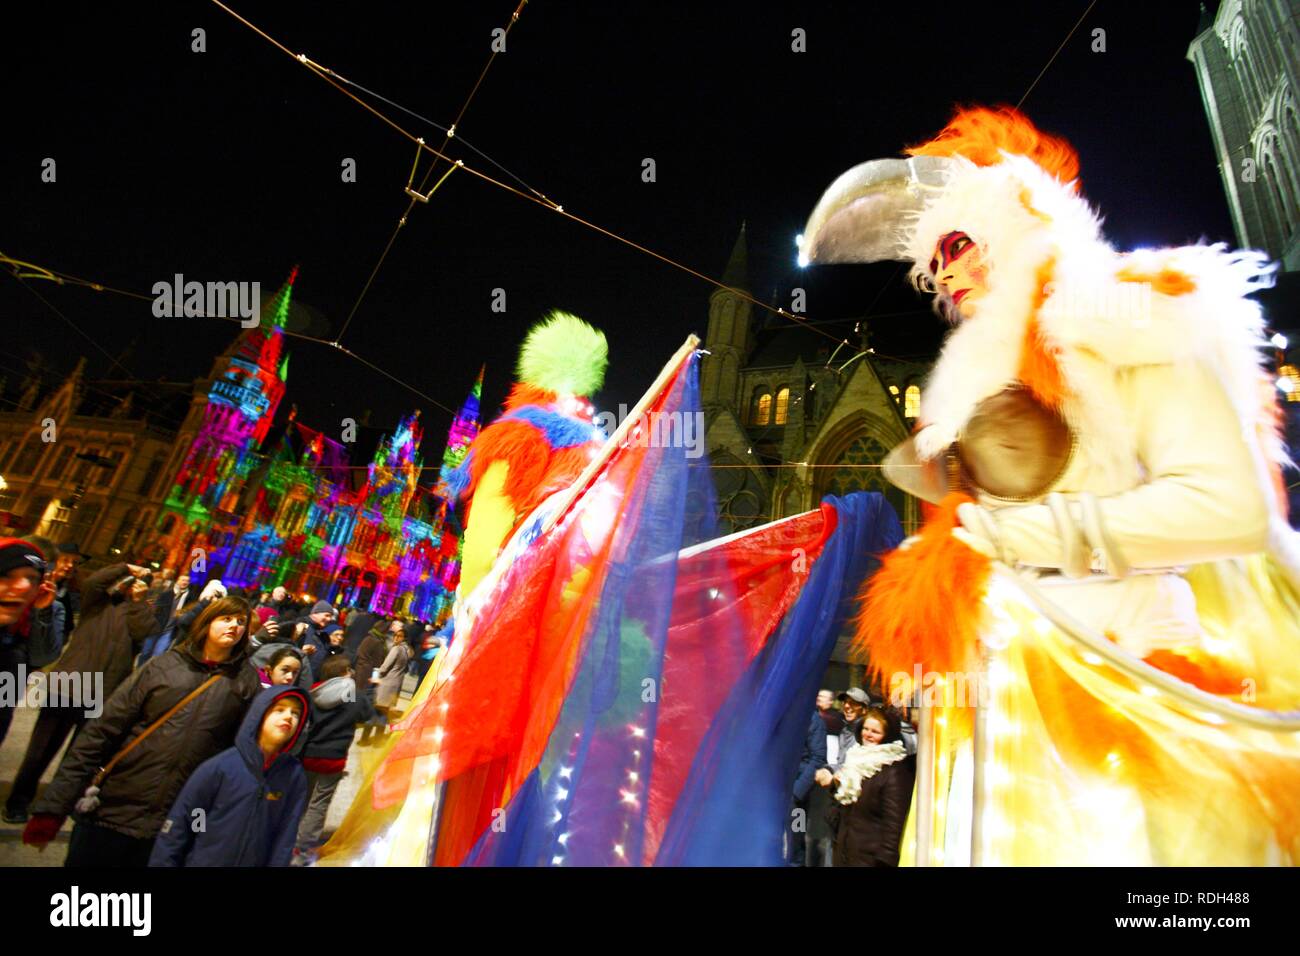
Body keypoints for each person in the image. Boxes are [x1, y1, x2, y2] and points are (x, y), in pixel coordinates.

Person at [802, 105, 1300, 864]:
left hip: (1126, 691)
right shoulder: (985, 385)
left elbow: (1231, 507)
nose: (945, 274)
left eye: (959, 245)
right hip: (1000, 715)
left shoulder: (1129, 318)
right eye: (934, 262)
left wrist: (1052, 534)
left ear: (1018, 227)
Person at [22, 595, 262, 866]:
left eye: (241, 621)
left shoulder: (245, 682)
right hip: (115, 807)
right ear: (207, 622)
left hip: (173, 819)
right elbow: (102, 731)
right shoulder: (164, 666)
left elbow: (236, 755)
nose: (234, 626)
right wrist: (52, 809)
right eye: (226, 618)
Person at [3, 560, 157, 824]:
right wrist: (125, 567)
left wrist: (139, 602)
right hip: (69, 685)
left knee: (78, 755)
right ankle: (19, 801)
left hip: (104, 690)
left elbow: (144, 632)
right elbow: (93, 582)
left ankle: (55, 804)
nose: (130, 587)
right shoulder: (96, 603)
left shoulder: (138, 611)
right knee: (40, 751)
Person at [148, 685, 311, 867]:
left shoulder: (293, 776)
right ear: (259, 715)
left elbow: (285, 836)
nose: (288, 716)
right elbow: (184, 824)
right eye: (279, 709)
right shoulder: (221, 768)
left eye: (296, 714)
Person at [293, 654, 375, 864]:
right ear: (344, 672)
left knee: (300, 800)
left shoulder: (314, 691)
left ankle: (288, 839)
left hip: (308, 755)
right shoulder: (353, 695)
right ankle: (302, 851)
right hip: (333, 759)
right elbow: (366, 714)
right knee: (319, 804)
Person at [827, 707, 915, 867]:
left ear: (887, 736)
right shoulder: (855, 759)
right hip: (845, 853)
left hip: (871, 859)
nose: (868, 734)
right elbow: (841, 810)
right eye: (866, 729)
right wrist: (836, 786)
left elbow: (894, 823)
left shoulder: (893, 770)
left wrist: (885, 859)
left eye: (875, 731)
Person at [0, 539, 51, 749]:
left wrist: (41, 613)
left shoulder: (13, 644)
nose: (24, 586)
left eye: (32, 578)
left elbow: (42, 659)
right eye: (5, 574)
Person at [789, 706, 828, 866]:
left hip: (797, 798)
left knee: (796, 842)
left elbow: (818, 757)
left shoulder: (813, 719)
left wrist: (797, 793)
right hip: (776, 791)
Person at [352, 618, 392, 745]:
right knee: (364, 696)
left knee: (359, 694)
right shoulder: (376, 641)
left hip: (362, 670)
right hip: (367, 672)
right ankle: (357, 718)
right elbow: (377, 660)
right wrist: (375, 673)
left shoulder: (371, 637)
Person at [372, 627, 411, 723]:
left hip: (387, 682)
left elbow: (386, 666)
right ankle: (379, 734)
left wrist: (377, 673)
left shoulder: (396, 649)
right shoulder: (406, 651)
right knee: (385, 712)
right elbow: (406, 669)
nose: (396, 638)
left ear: (404, 638)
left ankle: (368, 736)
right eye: (395, 635)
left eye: (400, 636)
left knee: (377, 712)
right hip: (396, 683)